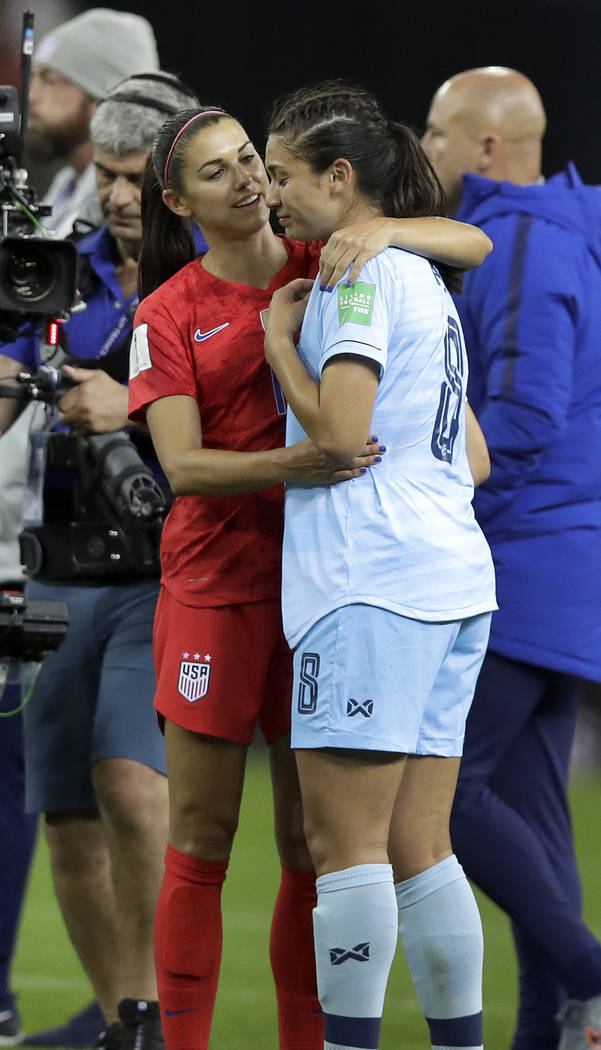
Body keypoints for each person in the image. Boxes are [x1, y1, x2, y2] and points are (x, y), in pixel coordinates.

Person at [127, 101, 492, 1050]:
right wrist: (298, 465)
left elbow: (465, 239)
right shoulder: (168, 311)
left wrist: (378, 228)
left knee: (323, 848)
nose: (252, 180)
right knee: (208, 841)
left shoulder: (334, 263)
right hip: (227, 588)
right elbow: (184, 469)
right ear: (180, 201)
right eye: (222, 171)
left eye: (258, 160)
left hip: (344, 589)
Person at [262, 80, 497, 1050]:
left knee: (344, 850)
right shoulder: (419, 281)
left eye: (281, 176)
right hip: (450, 582)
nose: (268, 194)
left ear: (339, 177)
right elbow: (472, 458)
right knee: (418, 848)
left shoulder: (355, 277)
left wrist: (279, 344)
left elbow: (344, 438)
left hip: (369, 585)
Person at [0, 72, 202, 1050]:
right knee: (69, 822)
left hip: (167, 569)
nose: (117, 196)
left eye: (136, 177)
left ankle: (162, 1012)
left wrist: (132, 404)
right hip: (60, 566)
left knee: (132, 785)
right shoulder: (56, 265)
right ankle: (126, 1018)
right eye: (109, 175)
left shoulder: (212, 273)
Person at [421, 66, 601, 1050]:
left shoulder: (522, 239)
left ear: (488, 149)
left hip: (521, 563)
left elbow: (525, 416)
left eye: (440, 133)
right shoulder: (561, 232)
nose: (426, 147)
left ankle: (589, 973)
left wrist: (430, 496)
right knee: (537, 836)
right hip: (559, 565)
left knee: (432, 796)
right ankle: (551, 1034)